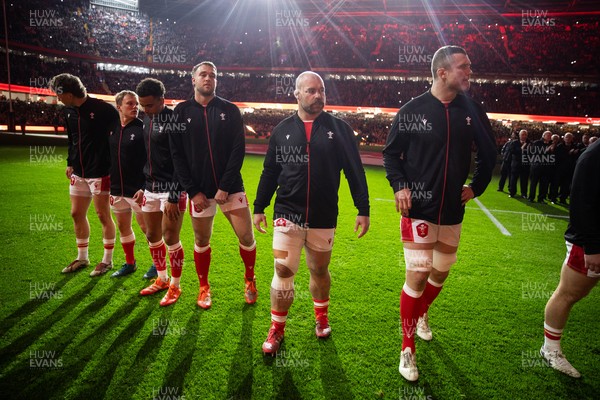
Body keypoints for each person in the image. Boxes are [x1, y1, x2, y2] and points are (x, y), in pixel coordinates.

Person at [383, 45, 496, 381]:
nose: (469, 72)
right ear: (442, 72)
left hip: (452, 210)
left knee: (440, 273)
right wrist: (400, 185)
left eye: (469, 67)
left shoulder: (473, 111)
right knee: (418, 274)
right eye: (463, 67)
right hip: (417, 208)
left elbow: (489, 154)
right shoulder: (412, 109)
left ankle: (421, 315)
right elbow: (391, 156)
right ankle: (407, 348)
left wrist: (477, 187)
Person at [253, 71, 370, 355]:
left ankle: (321, 316)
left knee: (319, 269)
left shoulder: (340, 129)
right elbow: (270, 171)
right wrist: (259, 207)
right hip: (287, 213)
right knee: (283, 269)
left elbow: (355, 170)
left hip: (323, 215)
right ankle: (277, 329)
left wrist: (363, 208)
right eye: (311, 91)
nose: (318, 96)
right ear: (296, 94)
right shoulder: (282, 130)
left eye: (322, 91)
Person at [170, 61, 257, 309]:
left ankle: (250, 279)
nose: (208, 78)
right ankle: (203, 287)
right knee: (201, 240)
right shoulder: (181, 112)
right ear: (193, 80)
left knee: (246, 236)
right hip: (199, 191)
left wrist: (225, 186)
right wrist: (193, 191)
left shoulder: (230, 110)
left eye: (213, 75)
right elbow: (177, 155)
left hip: (231, 188)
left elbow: (238, 150)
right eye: (203, 75)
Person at [541, 140, 600, 378]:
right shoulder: (593, 156)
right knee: (569, 293)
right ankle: (550, 349)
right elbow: (581, 204)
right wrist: (593, 246)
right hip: (589, 242)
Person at [49, 73, 118, 276]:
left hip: (100, 172)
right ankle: (83, 257)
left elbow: (117, 140)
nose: (57, 98)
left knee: (102, 215)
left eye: (59, 94)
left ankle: (107, 261)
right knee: (76, 213)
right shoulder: (68, 111)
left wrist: (113, 167)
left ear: (70, 94)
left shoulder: (103, 109)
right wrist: (70, 162)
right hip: (78, 171)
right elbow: (72, 139)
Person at [136, 78, 186, 306]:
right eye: (142, 106)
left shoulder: (175, 121)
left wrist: (174, 196)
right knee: (152, 236)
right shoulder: (146, 120)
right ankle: (162, 279)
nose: (145, 110)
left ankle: (175, 285)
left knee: (170, 237)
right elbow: (147, 156)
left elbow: (181, 161)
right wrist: (141, 185)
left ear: (161, 100)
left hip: (170, 190)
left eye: (149, 105)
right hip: (150, 187)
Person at [108, 90, 148, 277]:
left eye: (136, 103)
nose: (135, 107)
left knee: (148, 229)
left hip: (137, 189)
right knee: (123, 227)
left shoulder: (143, 128)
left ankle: (158, 264)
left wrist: (144, 186)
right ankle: (130, 263)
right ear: (119, 107)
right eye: (130, 104)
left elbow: (151, 160)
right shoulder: (112, 127)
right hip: (116, 189)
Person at [528, 130, 552, 203]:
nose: (549, 137)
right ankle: (531, 198)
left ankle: (541, 198)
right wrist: (546, 150)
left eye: (550, 136)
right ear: (543, 136)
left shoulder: (551, 144)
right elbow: (534, 152)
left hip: (546, 167)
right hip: (536, 166)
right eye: (548, 135)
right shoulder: (537, 143)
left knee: (544, 184)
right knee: (533, 183)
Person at [508, 129, 531, 198]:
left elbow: (532, 152)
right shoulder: (514, 142)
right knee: (513, 179)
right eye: (522, 134)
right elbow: (512, 151)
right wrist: (521, 148)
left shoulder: (530, 143)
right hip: (516, 164)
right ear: (519, 135)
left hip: (525, 165)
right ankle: (512, 193)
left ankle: (524, 194)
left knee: (524, 180)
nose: (524, 136)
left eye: (525, 135)